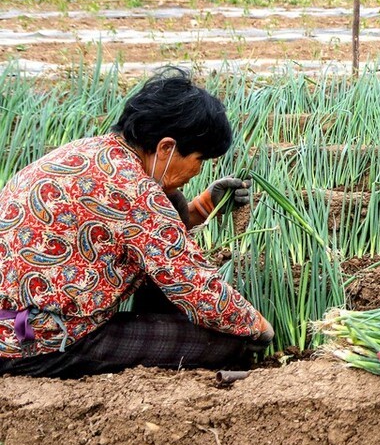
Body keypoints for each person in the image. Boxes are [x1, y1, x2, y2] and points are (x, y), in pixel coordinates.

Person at [0, 68, 273, 379]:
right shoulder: (135, 191)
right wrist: (256, 326)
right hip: (38, 343)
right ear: (166, 147)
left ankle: (157, 328)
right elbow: (192, 283)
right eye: (200, 159)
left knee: (172, 200)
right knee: (229, 343)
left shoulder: (91, 152)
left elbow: (137, 230)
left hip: (14, 325)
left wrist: (200, 208)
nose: (198, 170)